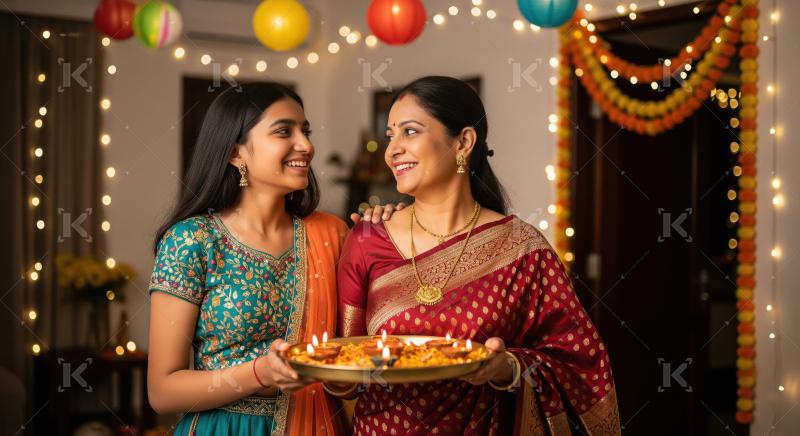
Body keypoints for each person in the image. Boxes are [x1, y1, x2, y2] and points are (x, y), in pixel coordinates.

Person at [334, 76, 621, 435]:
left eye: (409, 131)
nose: (392, 150)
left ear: (464, 142)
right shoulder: (367, 238)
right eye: (391, 135)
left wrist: (509, 368)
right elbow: (343, 369)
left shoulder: (521, 247)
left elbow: (579, 360)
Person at [147, 82, 399, 435]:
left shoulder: (331, 234)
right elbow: (162, 391)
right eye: (284, 131)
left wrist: (384, 237)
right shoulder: (193, 240)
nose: (306, 146)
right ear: (236, 152)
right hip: (225, 428)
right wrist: (258, 373)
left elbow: (357, 351)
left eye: (305, 131)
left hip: (319, 423)